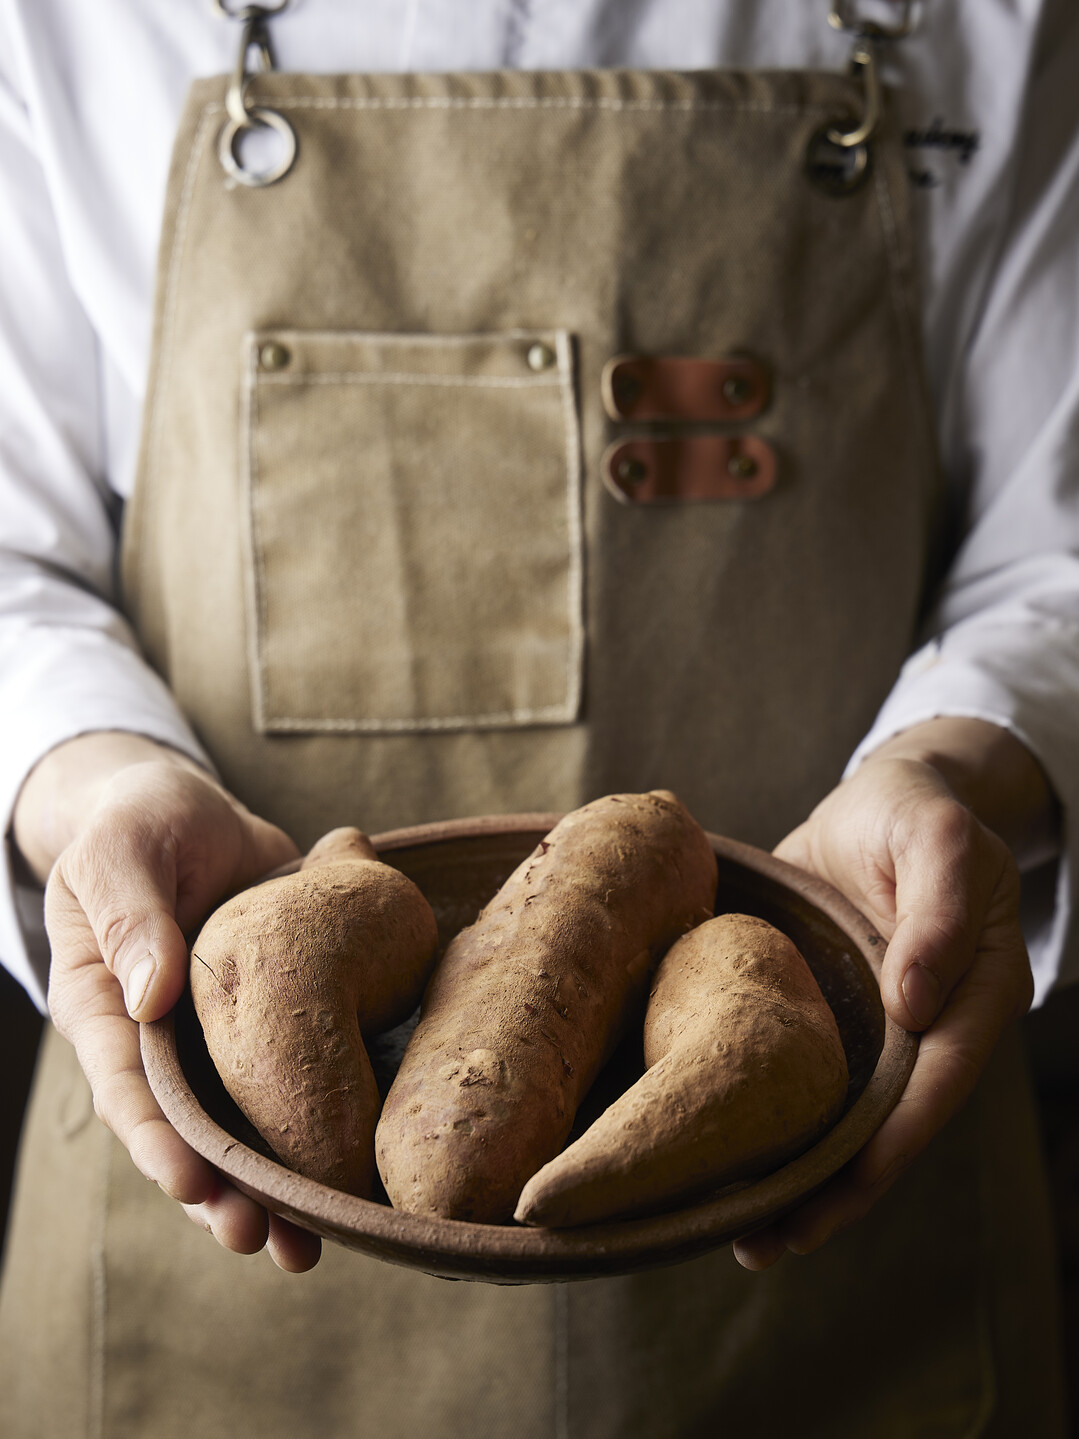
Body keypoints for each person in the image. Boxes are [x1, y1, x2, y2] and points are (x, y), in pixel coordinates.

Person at [0, 1, 1074, 1434]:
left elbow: (1053, 552)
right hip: (217, 1235)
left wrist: (957, 759)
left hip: (847, 1166)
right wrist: (94, 781)